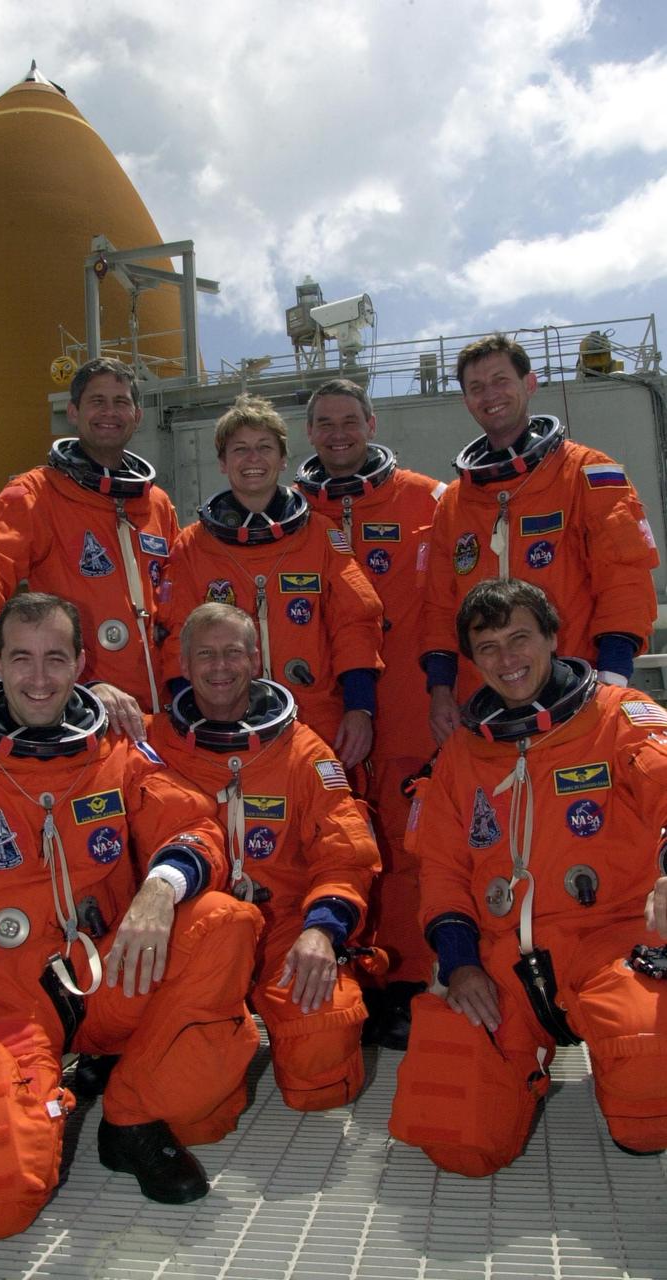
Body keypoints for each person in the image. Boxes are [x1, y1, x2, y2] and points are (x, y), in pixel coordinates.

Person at [0, 593, 262, 1240]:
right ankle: (34, 1101)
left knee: (222, 922)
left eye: (55, 659)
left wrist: (157, 891)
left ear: (81, 663)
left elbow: (194, 827)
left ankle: (129, 1119)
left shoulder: (114, 751)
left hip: (106, 977)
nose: (38, 678)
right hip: (1, 999)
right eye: (22, 659)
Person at [390, 578, 667, 1177]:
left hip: (609, 944)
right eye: (488, 648)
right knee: (459, 1142)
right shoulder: (463, 752)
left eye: (520, 638)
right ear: (472, 660)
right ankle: (517, 1075)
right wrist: (460, 963)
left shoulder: (620, 718)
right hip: (501, 962)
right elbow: (440, 869)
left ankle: (622, 1078)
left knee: (648, 1106)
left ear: (552, 637)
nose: (507, 659)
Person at [148, 603, 384, 1111]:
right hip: (194, 936)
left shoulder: (303, 751)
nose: (220, 667)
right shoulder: (151, 744)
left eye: (233, 653)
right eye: (205, 655)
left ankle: (282, 1028)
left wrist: (321, 931)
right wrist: (99, 696)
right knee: (191, 1108)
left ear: (256, 659)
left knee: (320, 1067)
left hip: (286, 931)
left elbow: (346, 854)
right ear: (183, 666)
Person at [296, 378, 445, 1040]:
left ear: (371, 422)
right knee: (335, 848)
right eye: (324, 423)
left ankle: (407, 979)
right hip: (324, 717)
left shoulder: (425, 499)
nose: (337, 433)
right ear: (309, 434)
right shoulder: (288, 510)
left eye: (348, 420)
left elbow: (455, 596)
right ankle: (347, 972)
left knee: (409, 850)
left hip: (409, 709)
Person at [421, 334, 659, 746]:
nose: (489, 396)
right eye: (476, 388)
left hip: (578, 695)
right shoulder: (455, 503)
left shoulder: (586, 473)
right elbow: (440, 606)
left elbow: (624, 580)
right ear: (466, 400)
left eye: (500, 380)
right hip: (485, 708)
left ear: (529, 384)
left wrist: (612, 679)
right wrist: (441, 689)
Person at [0, 357, 179, 735]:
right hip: (84, 710)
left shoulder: (156, 504)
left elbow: (180, 596)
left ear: (138, 415)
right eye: (97, 401)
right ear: (74, 412)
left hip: (164, 713)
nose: (109, 412)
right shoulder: (36, 494)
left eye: (120, 402)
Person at [158, 394, 384, 772]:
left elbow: (355, 619)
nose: (252, 459)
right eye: (240, 449)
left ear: (282, 460)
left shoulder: (320, 536)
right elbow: (174, 635)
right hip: (221, 724)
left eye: (264, 448)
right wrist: (191, 717)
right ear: (222, 462)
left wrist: (359, 706)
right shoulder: (193, 545)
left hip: (316, 721)